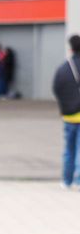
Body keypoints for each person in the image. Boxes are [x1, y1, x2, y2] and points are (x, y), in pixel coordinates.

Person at [51, 34, 80, 190]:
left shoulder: (63, 68)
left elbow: (56, 88)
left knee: (69, 149)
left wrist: (66, 106)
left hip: (69, 115)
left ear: (71, 49)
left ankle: (67, 181)